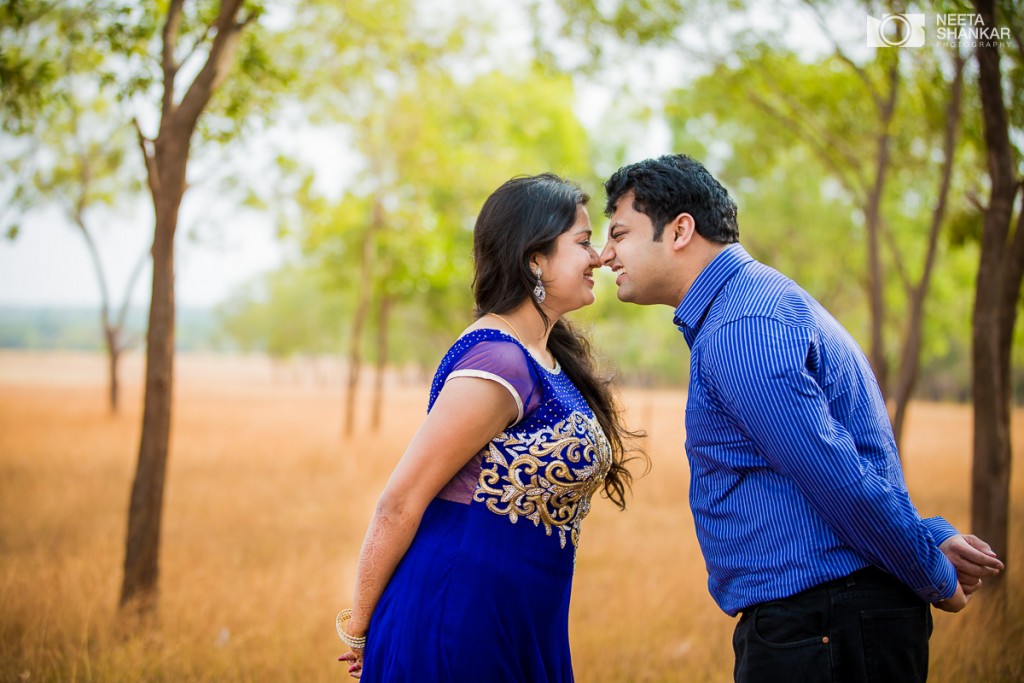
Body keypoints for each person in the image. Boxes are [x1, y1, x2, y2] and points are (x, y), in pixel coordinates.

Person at [597, 154, 1004, 682]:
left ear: (679, 231)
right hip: (828, 620)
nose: (605, 255)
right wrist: (923, 537)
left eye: (619, 234)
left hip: (822, 627)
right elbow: (826, 472)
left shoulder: (740, 325)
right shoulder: (749, 305)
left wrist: (933, 575)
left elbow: (836, 476)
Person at [336, 173, 640, 681]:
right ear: (534, 259)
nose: (598, 257)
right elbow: (399, 502)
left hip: (522, 618)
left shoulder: (545, 355)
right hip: (458, 617)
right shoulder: (498, 362)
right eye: (583, 242)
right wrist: (362, 626)